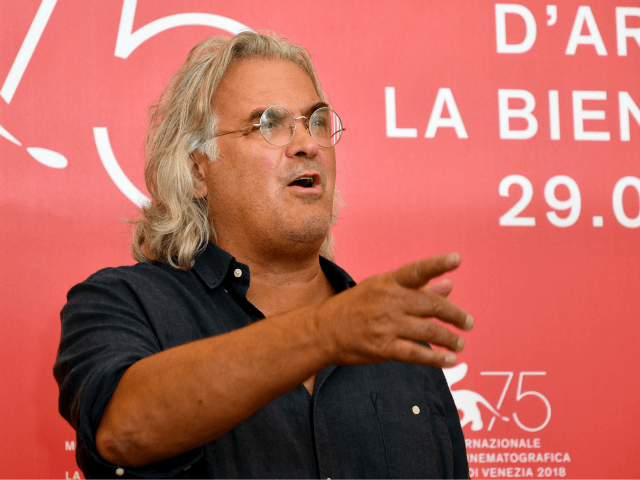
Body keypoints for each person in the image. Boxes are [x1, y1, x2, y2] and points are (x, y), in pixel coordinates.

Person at [54, 31, 472, 479]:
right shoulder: (123, 303)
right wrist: (326, 332)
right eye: (269, 124)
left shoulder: (395, 343)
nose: (307, 143)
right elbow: (124, 432)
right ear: (198, 169)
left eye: (316, 121)